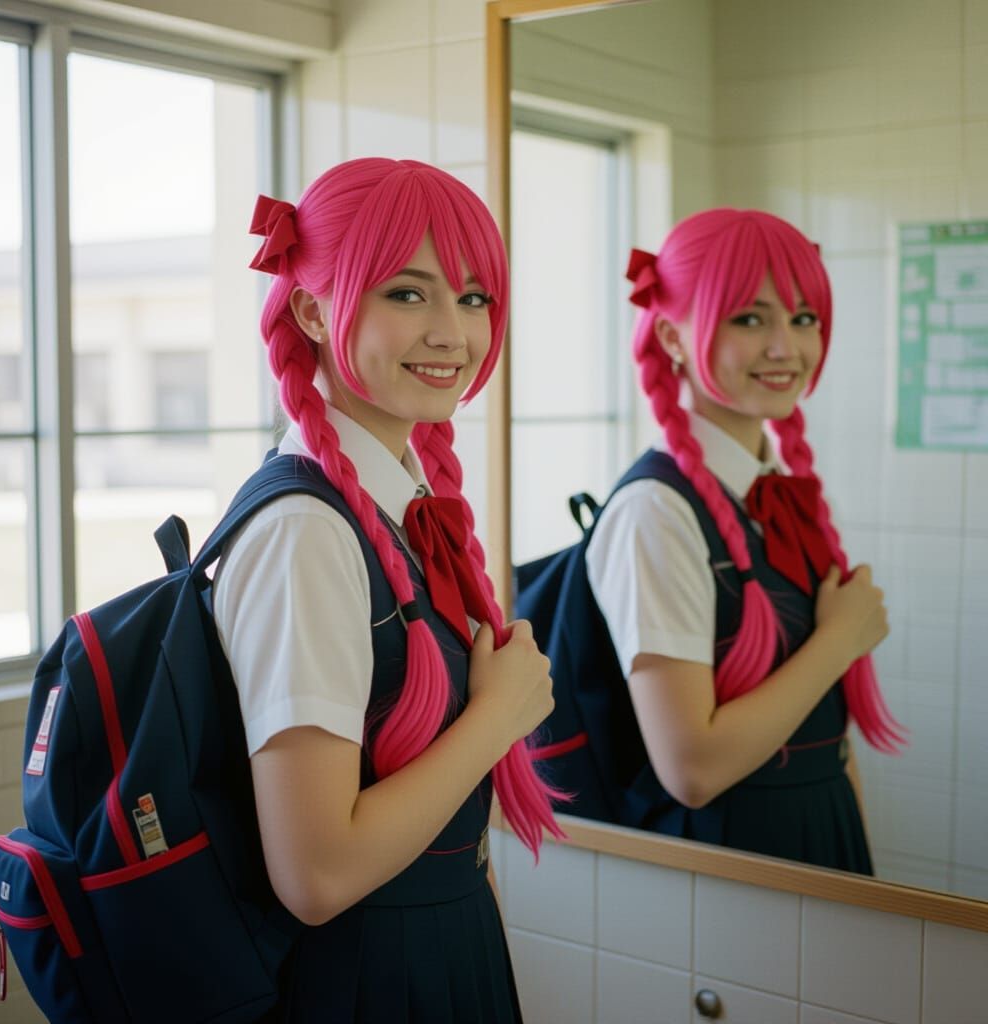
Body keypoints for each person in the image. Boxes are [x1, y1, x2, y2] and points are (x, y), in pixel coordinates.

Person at [213, 157, 563, 1022]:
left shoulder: (392, 502)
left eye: (474, 298)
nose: (453, 332)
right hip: (362, 977)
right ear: (311, 309)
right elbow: (317, 874)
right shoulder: (306, 534)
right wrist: (498, 716)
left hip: (434, 947)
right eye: (409, 294)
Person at [584, 207, 904, 872]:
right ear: (672, 336)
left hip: (821, 836)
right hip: (728, 863)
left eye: (803, 318)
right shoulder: (655, 513)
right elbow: (691, 768)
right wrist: (839, 640)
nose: (786, 346)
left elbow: (824, 735)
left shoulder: (784, 497)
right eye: (750, 318)